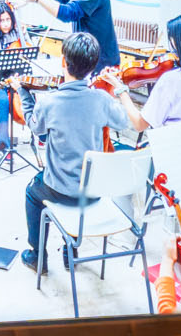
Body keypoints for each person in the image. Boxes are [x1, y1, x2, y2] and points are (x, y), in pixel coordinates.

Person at [21, 32, 130, 274]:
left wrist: (24, 95)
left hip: (60, 191)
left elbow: (36, 127)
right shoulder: (101, 99)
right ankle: (72, 250)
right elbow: (123, 121)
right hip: (94, 192)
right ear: (93, 66)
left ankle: (38, 256)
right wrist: (118, 89)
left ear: (63, 62)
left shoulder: (49, 102)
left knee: (32, 191)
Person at [108, 11, 181, 134]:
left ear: (177, 44)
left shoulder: (172, 80)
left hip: (179, 148)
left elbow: (139, 124)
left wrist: (120, 90)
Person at [0, 3, 32, 148]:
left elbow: (30, 52)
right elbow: (0, 64)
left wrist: (24, 34)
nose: (5, 24)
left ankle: (40, 135)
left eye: (8, 20)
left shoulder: (17, 33)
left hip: (16, 79)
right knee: (4, 101)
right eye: (2, 20)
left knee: (30, 95)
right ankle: (3, 145)